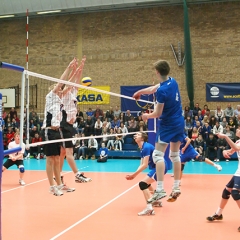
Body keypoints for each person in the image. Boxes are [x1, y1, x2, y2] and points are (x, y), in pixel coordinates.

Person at [133, 59, 184, 203]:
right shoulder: (172, 81)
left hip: (168, 124)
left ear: (157, 72)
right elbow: (154, 88)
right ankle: (176, 187)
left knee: (157, 155)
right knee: (175, 155)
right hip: (179, 122)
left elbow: (158, 113)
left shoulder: (162, 91)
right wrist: (140, 92)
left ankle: (160, 189)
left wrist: (146, 116)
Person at [59, 57, 92, 187]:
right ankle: (77, 174)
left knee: (62, 152)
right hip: (64, 124)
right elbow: (71, 82)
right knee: (68, 152)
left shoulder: (73, 92)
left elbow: (77, 81)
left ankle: (59, 175)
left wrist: (81, 67)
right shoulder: (63, 92)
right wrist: (73, 70)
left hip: (69, 126)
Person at [126, 132, 171, 216]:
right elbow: (141, 164)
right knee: (147, 184)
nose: (135, 136)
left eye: (138, 135)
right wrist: (134, 174)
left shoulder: (146, 147)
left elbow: (145, 165)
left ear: (142, 138)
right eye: (135, 135)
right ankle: (155, 201)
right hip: (157, 167)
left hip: (160, 167)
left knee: (142, 184)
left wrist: (134, 175)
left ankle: (149, 208)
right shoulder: (142, 148)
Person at [206, 129, 240, 232]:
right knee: (226, 191)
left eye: (239, 128)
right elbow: (232, 150)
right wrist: (226, 152)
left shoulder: (237, 144)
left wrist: (225, 136)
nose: (237, 129)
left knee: (235, 192)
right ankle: (218, 214)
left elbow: (237, 148)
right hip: (238, 171)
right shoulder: (238, 141)